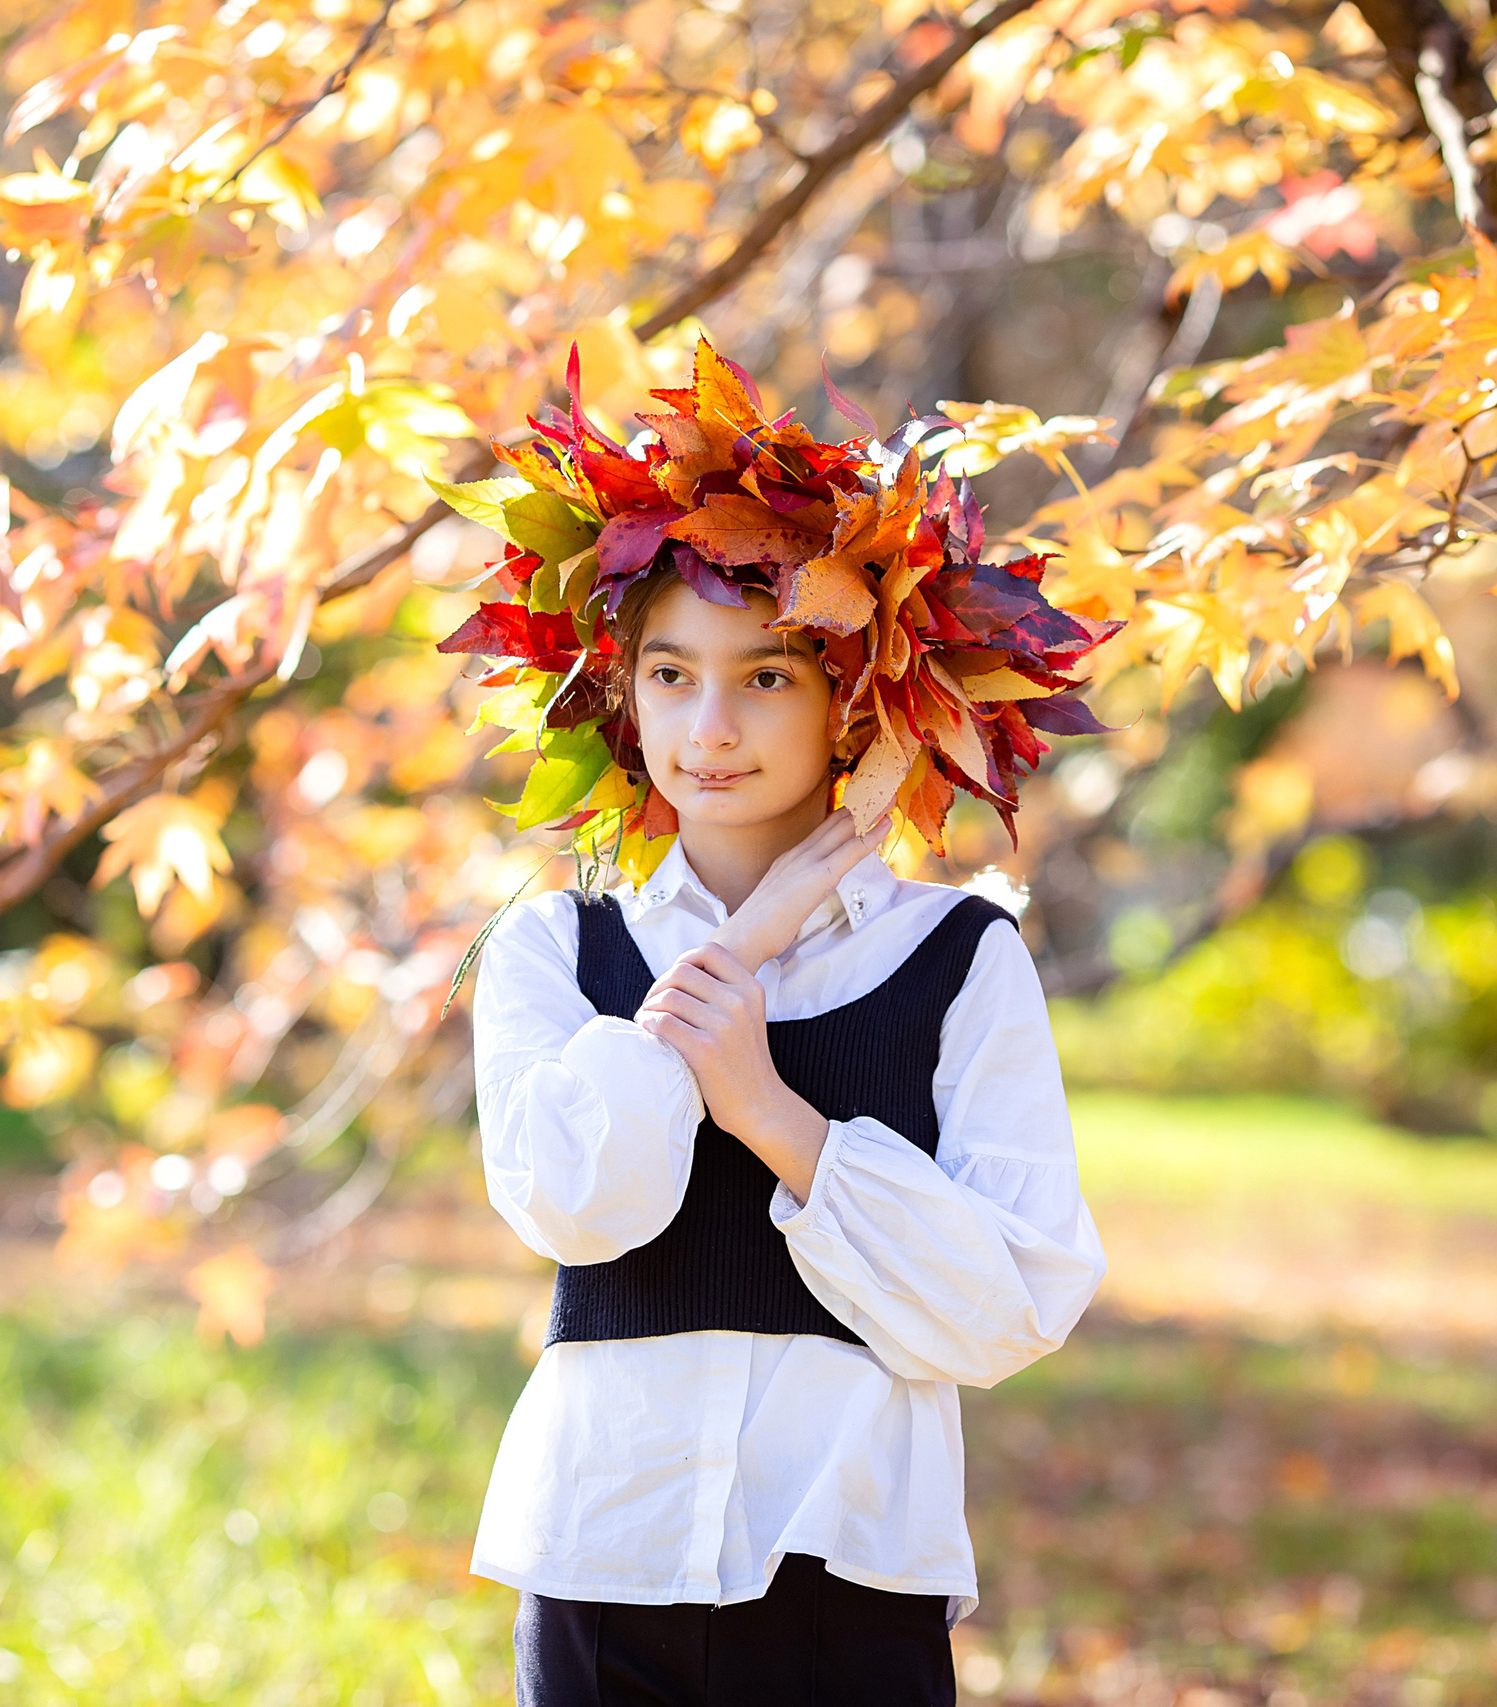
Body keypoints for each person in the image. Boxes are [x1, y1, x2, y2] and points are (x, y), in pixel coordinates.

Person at [467, 557, 1109, 1707]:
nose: (709, 728)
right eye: (670, 675)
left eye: (765, 676)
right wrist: (743, 947)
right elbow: (572, 1209)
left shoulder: (958, 957)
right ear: (626, 693)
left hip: (851, 1570)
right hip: (601, 1559)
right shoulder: (555, 946)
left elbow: (1013, 1303)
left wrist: (773, 1118)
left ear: (853, 700)